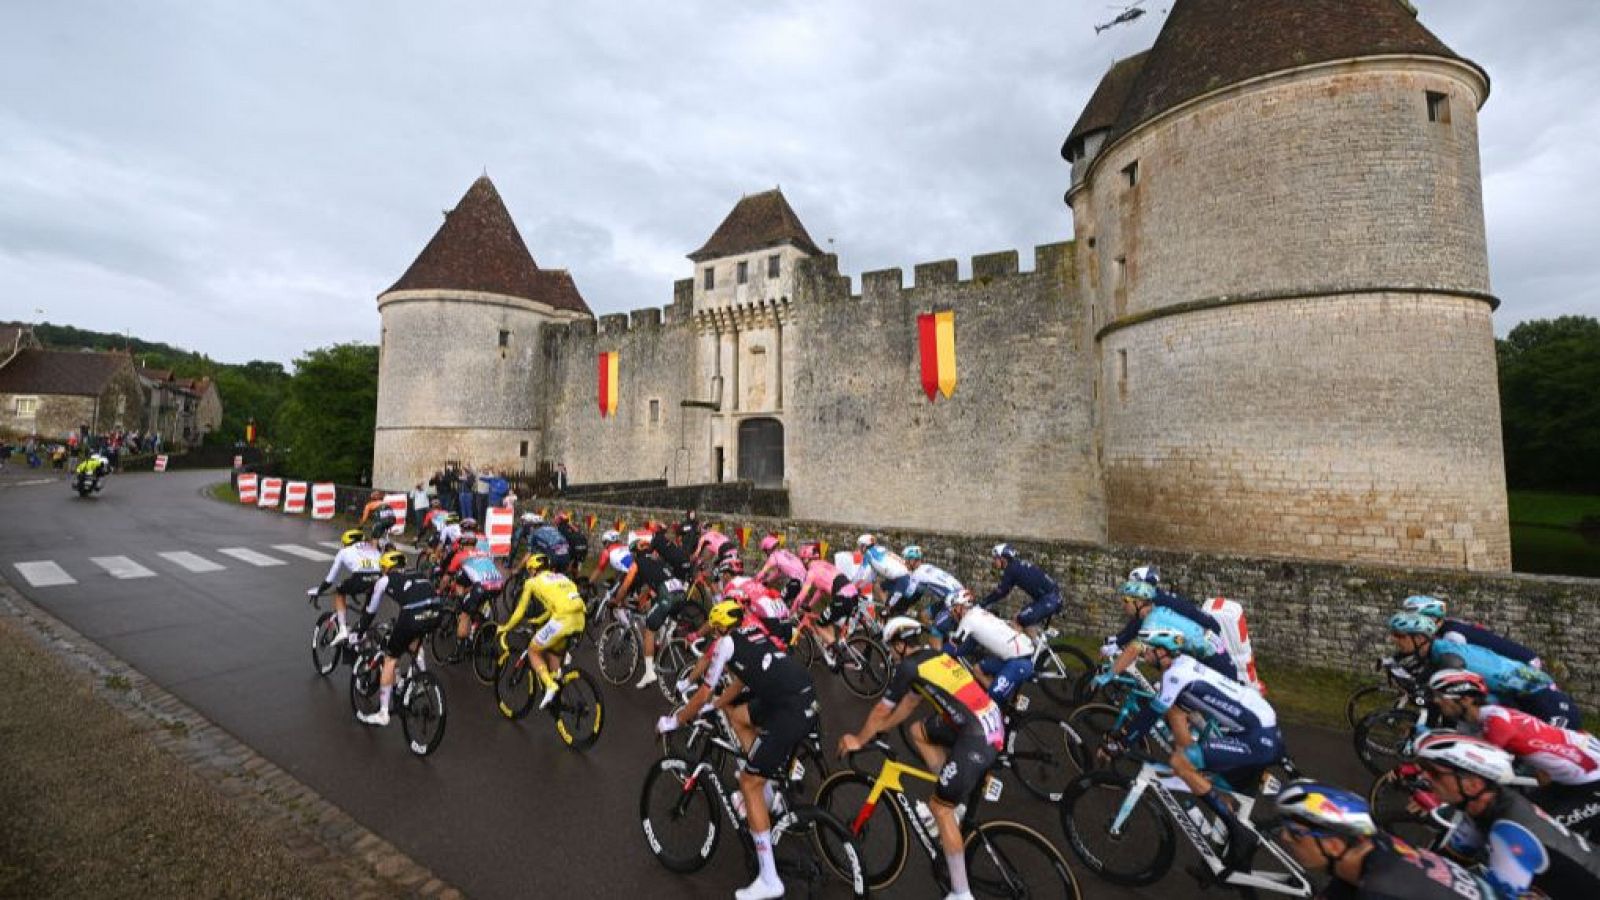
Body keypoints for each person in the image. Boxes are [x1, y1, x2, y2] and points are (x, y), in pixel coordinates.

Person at [837, 617, 1004, 900]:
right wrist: (883, 728)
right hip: (989, 720)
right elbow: (909, 704)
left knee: (939, 808)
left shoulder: (908, 667)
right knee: (918, 731)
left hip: (976, 736)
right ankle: (952, 797)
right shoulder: (934, 657)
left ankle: (961, 893)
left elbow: (880, 710)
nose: (889, 653)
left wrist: (859, 739)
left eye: (890, 648)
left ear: (902, 645)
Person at [661, 600, 818, 900]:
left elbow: (705, 688)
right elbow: (739, 681)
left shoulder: (724, 644)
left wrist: (675, 720)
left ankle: (769, 879)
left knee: (747, 782)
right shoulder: (752, 632)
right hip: (801, 692)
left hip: (790, 708)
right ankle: (768, 785)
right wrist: (715, 706)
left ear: (719, 628)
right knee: (739, 715)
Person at [1104, 627, 1284, 871]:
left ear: (1163, 652)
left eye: (1147, 650)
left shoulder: (1174, 677)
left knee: (1180, 764)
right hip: (1262, 725)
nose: (1142, 654)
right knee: (1199, 767)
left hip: (1256, 737)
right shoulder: (1183, 662)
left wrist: (1120, 743)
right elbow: (1176, 713)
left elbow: (1149, 716)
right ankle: (1220, 846)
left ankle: (1238, 833)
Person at [1413, 732, 1600, 897]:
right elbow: (1449, 858)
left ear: (1472, 784)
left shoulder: (1509, 832)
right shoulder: (1482, 804)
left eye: (1434, 773)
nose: (1424, 778)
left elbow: (1495, 895)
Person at [1428, 668, 1600, 838]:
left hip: (1592, 782)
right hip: (1570, 778)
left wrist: (1435, 790)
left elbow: (1475, 770)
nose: (1436, 701)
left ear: (1465, 699)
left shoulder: (1496, 723)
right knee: (1521, 818)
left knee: (1534, 834)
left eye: (1441, 697)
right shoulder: (1493, 715)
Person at [1267, 779, 1497, 899]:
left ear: (1333, 844)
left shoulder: (1381, 888)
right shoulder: (1377, 845)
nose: (1284, 837)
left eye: (1295, 833)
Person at [1388, 612, 1580, 728]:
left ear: (1420, 638)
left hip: (1540, 699)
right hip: (1517, 694)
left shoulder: (1448, 656)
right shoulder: (1437, 649)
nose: (1394, 640)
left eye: (1399, 635)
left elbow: (1449, 687)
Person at [354, 551, 445, 727]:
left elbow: (371, 611)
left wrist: (360, 631)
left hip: (413, 613)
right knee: (414, 643)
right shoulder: (417, 573)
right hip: (437, 612)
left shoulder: (385, 579)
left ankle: (383, 713)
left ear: (386, 567)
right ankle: (419, 682)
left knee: (390, 659)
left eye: (382, 568)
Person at [1096, 579, 1238, 688]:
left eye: (1126, 600)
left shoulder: (1152, 623)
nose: (1123, 604)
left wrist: (1107, 676)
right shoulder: (1159, 613)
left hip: (1216, 667)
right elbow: (1167, 653)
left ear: (1139, 603)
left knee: (1175, 712)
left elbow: (1132, 650)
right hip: (1216, 662)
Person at [500, 552, 586, 709]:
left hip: (563, 620)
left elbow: (519, 612)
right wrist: (539, 620)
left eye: (529, 570)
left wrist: (506, 627)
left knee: (533, 650)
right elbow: (554, 606)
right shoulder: (563, 578)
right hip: (580, 619)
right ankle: (559, 695)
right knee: (553, 654)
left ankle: (550, 685)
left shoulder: (532, 582)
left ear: (533, 569)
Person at [615, 533, 689, 689]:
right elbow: (651, 584)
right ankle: (661, 645)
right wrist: (644, 599)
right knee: (652, 610)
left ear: (635, 553)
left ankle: (649, 672)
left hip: (667, 596)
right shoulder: (657, 561)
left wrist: (616, 601)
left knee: (649, 627)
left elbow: (625, 585)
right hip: (680, 593)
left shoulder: (637, 564)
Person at [943, 591, 1035, 705]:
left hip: (1019, 661)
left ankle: (1001, 707)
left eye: (953, 609)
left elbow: (953, 646)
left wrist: (932, 652)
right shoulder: (978, 611)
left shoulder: (967, 620)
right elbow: (967, 644)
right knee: (978, 669)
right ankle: (1007, 699)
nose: (952, 614)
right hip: (1017, 654)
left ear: (959, 607)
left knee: (990, 702)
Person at [1401, 595, 1542, 669]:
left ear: (1432, 619)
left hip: (1523, 663)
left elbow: (1459, 664)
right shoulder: (1448, 624)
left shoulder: (1452, 636)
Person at [788, 551, 863, 671]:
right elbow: (821, 590)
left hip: (842, 598)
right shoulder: (823, 565)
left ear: (806, 560)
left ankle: (840, 655)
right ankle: (832, 649)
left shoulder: (811, 571)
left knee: (818, 625)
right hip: (853, 596)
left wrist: (793, 609)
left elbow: (802, 593)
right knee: (826, 620)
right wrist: (810, 605)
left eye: (802, 560)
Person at [306, 529, 383, 646]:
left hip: (361, 578)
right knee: (366, 612)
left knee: (339, 591)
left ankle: (343, 630)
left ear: (347, 542)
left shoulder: (344, 551)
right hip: (379, 579)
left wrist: (319, 590)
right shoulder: (371, 547)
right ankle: (363, 638)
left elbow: (330, 579)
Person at [978, 543, 1062, 636]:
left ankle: (1033, 649)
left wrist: (983, 603)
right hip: (1049, 598)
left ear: (1003, 558)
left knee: (1018, 620)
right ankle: (1037, 648)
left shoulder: (1011, 569)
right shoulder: (1016, 565)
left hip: (1049, 599)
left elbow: (1001, 591)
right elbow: (1004, 590)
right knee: (1020, 619)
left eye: (995, 558)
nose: (994, 561)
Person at [444, 532, 505, 642]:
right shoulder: (485, 553)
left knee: (464, 615)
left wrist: (441, 589)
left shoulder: (460, 556)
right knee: (476, 597)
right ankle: (479, 621)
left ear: (462, 544)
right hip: (499, 584)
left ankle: (459, 646)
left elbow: (446, 578)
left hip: (482, 587)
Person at [902, 545, 965, 644]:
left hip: (955, 602)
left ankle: (939, 646)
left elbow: (908, 595)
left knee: (936, 629)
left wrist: (895, 606)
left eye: (906, 560)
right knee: (924, 615)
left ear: (912, 561)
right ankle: (942, 639)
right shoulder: (927, 566)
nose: (905, 563)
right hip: (955, 597)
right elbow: (919, 592)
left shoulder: (916, 575)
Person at [855, 534, 914, 617]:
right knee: (877, 586)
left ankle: (891, 609)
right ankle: (889, 608)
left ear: (864, 546)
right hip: (902, 577)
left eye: (860, 546)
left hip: (901, 579)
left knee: (891, 606)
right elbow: (872, 576)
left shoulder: (868, 554)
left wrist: (853, 586)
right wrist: (860, 586)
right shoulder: (879, 550)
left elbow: (860, 574)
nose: (859, 549)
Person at [753, 535, 807, 606]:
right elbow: (778, 572)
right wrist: (767, 581)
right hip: (805, 580)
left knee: (779, 603)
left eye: (765, 551)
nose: (765, 553)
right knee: (790, 603)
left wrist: (754, 582)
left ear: (768, 549)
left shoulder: (773, 557)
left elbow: (762, 573)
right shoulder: (783, 552)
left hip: (797, 581)